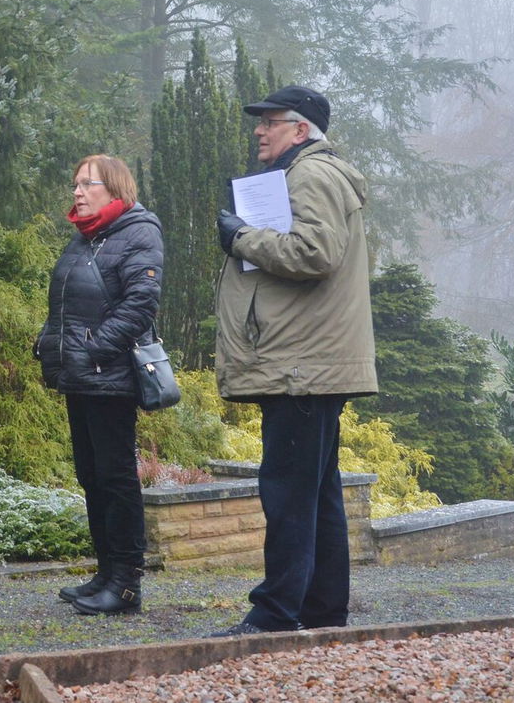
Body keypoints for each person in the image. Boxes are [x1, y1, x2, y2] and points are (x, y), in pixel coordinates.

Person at [211, 85, 376, 636]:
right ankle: (323, 612)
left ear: (301, 129)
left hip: (301, 367)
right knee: (316, 494)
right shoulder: (309, 174)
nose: (259, 130)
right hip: (307, 364)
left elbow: (315, 253)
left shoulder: (311, 175)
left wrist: (242, 238)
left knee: (287, 495)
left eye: (271, 122)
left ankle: (274, 615)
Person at [34, 154, 163, 615]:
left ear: (114, 188)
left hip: (111, 376)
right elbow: (68, 304)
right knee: (90, 476)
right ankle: (105, 574)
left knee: (115, 477)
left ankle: (127, 585)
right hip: (79, 377)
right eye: (75, 184)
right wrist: (48, 342)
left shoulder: (139, 231)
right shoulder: (83, 239)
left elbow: (140, 304)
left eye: (87, 184)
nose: (77, 192)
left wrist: (92, 351)